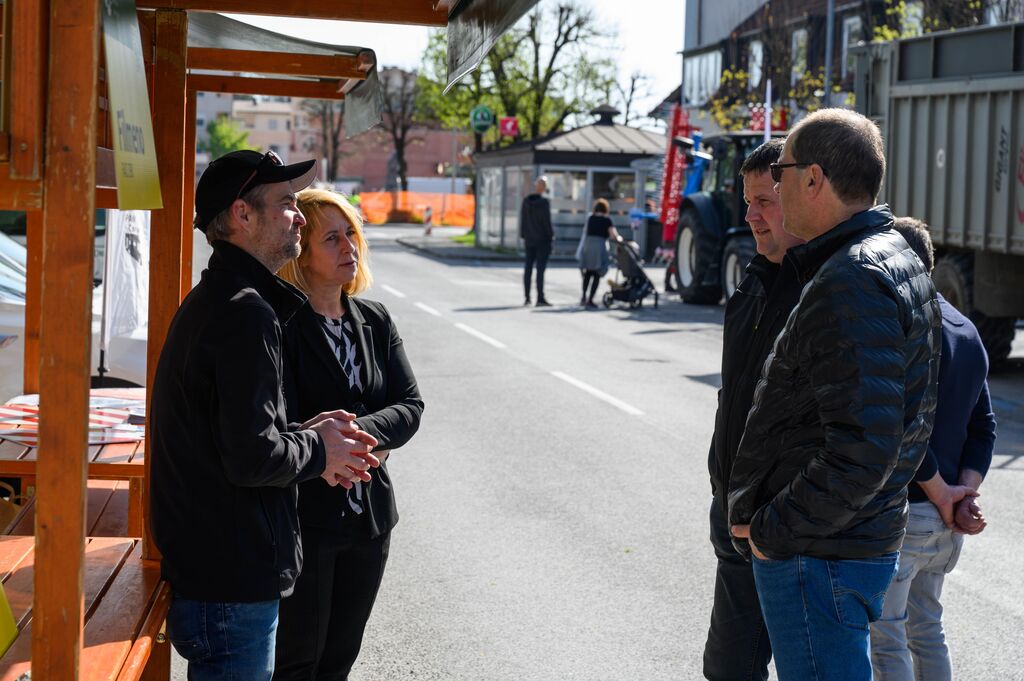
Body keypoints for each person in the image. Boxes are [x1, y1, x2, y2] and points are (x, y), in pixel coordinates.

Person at [726, 108, 944, 680]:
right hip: (842, 544)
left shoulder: (853, 276)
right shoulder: (887, 256)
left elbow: (863, 450)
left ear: (814, 179)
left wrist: (772, 531)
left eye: (782, 174)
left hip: (819, 554)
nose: (775, 189)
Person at [150, 150, 381, 681]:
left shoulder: (226, 299)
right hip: (230, 580)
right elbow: (252, 456)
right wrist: (321, 448)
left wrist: (304, 434)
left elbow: (234, 437)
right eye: (286, 204)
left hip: (218, 574)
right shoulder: (244, 312)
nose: (298, 216)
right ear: (242, 214)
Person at [274, 188, 425, 680]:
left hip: (370, 521)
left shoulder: (375, 320)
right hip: (307, 521)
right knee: (297, 661)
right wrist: (332, 447)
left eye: (351, 235)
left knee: (340, 658)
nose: (348, 247)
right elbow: (276, 420)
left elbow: (409, 405)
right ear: (302, 253)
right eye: (332, 238)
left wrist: (357, 435)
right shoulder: (281, 326)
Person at [870, 217, 995, 681]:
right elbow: (984, 428)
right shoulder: (967, 330)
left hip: (910, 511)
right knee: (927, 631)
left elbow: (903, 424)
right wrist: (963, 494)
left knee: (887, 639)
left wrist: (942, 492)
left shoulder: (906, 327)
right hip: (946, 523)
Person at [702, 138, 805, 681]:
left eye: (764, 201)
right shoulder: (751, 283)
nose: (750, 216)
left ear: (802, 199)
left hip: (786, 529)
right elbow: (735, 397)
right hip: (734, 516)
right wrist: (722, 485)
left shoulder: (822, 292)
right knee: (727, 669)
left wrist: (777, 513)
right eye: (748, 202)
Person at [577, 198, 622, 308]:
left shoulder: (590, 218)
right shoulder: (607, 220)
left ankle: (583, 297)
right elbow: (614, 235)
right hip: (599, 247)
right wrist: (620, 240)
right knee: (597, 273)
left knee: (588, 273)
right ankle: (590, 299)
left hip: (588, 246)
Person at [520, 176, 554, 307]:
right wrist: (551, 236)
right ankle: (540, 297)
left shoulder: (526, 201)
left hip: (529, 239)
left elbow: (523, 220)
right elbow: (546, 222)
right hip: (542, 240)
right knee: (540, 270)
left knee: (528, 268)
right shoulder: (544, 203)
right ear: (544, 188)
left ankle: (527, 297)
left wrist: (524, 235)